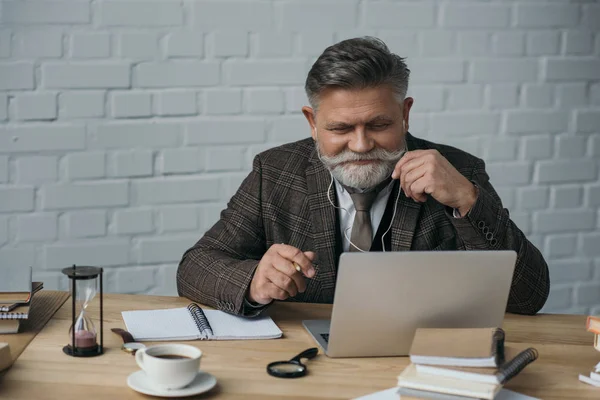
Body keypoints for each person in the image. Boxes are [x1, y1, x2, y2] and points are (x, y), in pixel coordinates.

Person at [177, 37, 550, 317]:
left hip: (418, 360)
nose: (360, 144)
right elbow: (195, 267)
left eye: (379, 124)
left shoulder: (460, 172)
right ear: (312, 122)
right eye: (340, 128)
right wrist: (255, 280)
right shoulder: (273, 172)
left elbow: (528, 297)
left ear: (405, 114)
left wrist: (469, 201)